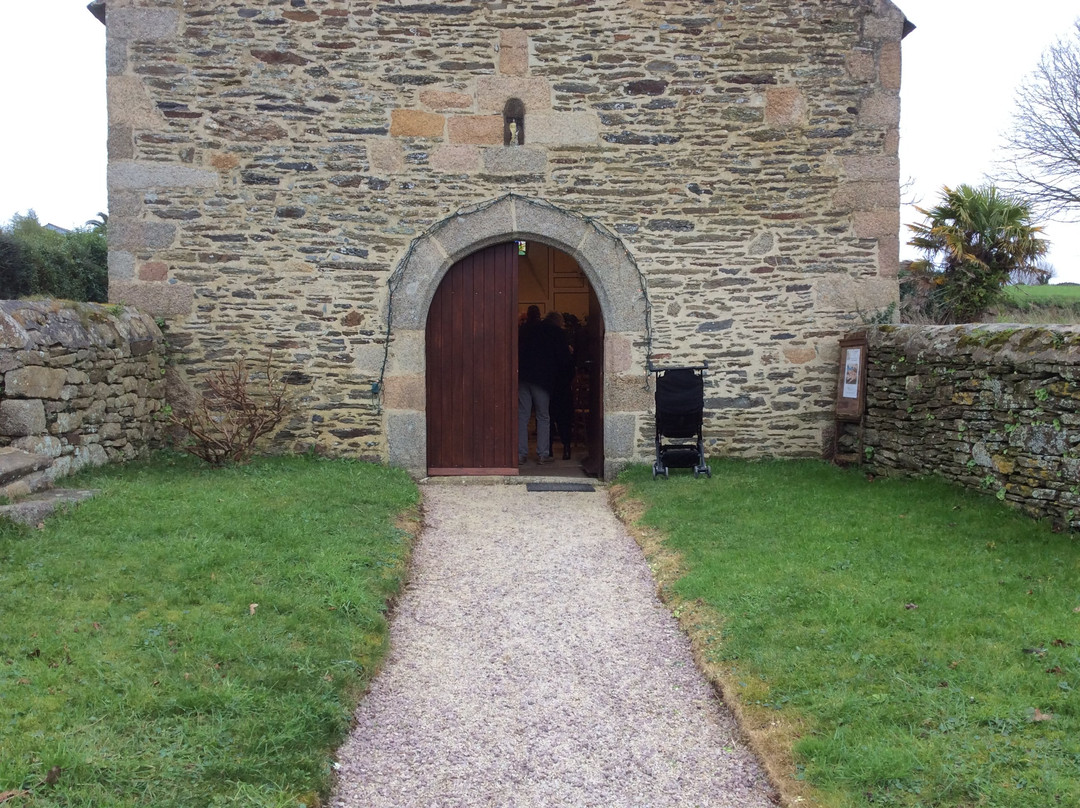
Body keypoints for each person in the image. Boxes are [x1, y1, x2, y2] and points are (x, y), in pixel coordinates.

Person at [518, 305, 565, 465]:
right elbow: (559, 356)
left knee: (522, 416)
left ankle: (520, 453)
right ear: (539, 316)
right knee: (543, 416)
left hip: (523, 377)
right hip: (542, 380)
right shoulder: (549, 331)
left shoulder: (522, 330)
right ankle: (543, 454)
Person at [545, 312, 575, 460]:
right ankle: (566, 448)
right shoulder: (560, 335)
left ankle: (548, 449)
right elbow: (566, 361)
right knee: (564, 417)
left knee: (547, 416)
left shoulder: (543, 336)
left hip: (547, 383)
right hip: (561, 383)